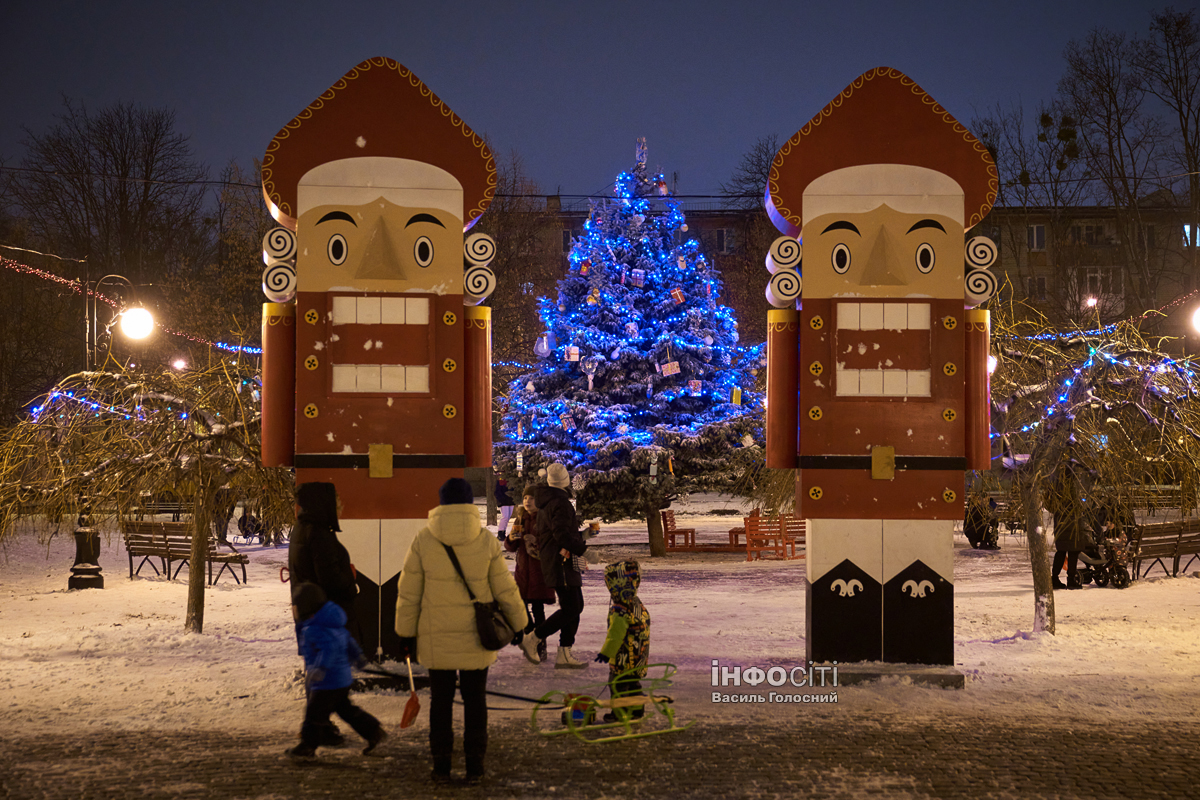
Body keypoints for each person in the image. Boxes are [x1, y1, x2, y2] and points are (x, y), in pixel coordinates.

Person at [394, 478, 528, 785]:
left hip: (435, 636)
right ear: (469, 505)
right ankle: (474, 767)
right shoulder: (484, 541)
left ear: (441, 504)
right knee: (475, 701)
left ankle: (441, 766)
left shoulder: (424, 540)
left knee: (440, 702)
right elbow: (505, 589)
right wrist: (519, 624)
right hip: (477, 637)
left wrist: (405, 633)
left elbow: (409, 593)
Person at [286, 583, 386, 761]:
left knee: (314, 715)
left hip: (327, 682)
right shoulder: (332, 624)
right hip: (341, 679)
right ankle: (374, 732)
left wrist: (320, 669)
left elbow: (329, 649)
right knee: (347, 711)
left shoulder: (313, 629)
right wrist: (358, 658)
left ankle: (307, 747)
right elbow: (348, 641)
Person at [519, 463, 589, 669]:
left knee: (576, 607)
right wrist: (584, 549)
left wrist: (582, 536)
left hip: (558, 560)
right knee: (572, 607)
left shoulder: (549, 503)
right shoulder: (559, 503)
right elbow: (560, 535)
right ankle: (534, 637)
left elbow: (557, 532)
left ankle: (564, 651)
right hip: (561, 562)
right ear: (566, 480)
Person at [289, 482, 359, 645]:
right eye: (337, 504)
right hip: (326, 618)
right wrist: (350, 581)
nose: (340, 508)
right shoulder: (318, 535)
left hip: (310, 615)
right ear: (324, 504)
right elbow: (330, 579)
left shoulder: (302, 528)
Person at [593, 560, 651, 723]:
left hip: (623, 659)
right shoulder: (637, 604)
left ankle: (619, 713)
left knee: (618, 686)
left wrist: (606, 654)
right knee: (634, 684)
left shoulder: (620, 611)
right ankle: (637, 710)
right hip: (639, 657)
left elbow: (615, 636)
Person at [505, 486, 556, 662]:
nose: (527, 501)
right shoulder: (520, 518)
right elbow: (510, 547)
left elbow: (550, 543)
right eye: (525, 497)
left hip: (539, 572)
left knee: (538, 608)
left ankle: (540, 645)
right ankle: (531, 635)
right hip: (522, 572)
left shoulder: (543, 518)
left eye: (531, 498)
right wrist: (512, 538)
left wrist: (536, 541)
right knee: (520, 606)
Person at [1047, 466, 1088, 589]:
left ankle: (1054, 578)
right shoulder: (1074, 487)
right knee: (1073, 552)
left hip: (1061, 523)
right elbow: (1081, 503)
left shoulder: (1056, 486)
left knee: (1061, 551)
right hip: (1073, 523)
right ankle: (1071, 579)